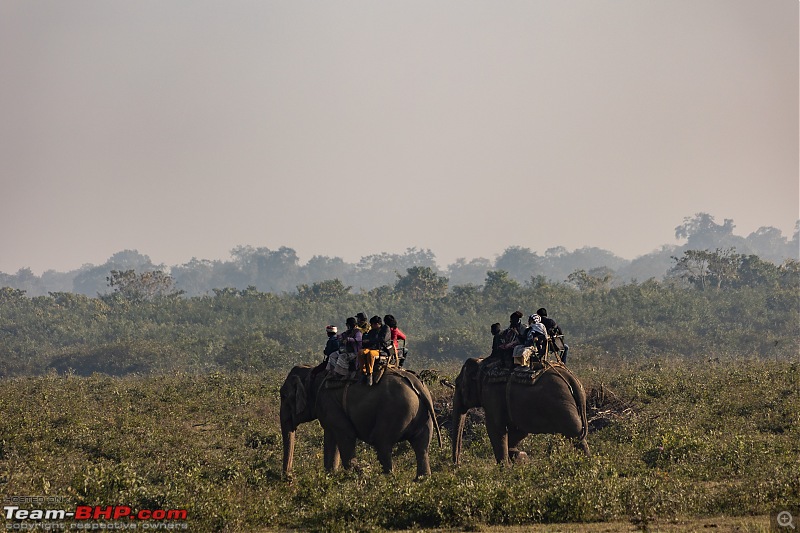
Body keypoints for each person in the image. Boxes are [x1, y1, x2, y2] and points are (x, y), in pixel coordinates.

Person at [358, 315, 392, 386]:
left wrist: (370, 341)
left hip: (381, 349)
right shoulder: (372, 331)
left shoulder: (386, 328)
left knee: (371, 354)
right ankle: (363, 372)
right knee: (361, 352)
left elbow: (382, 340)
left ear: (377, 324)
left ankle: (369, 374)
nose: (371, 326)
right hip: (371, 347)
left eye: (372, 324)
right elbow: (370, 339)